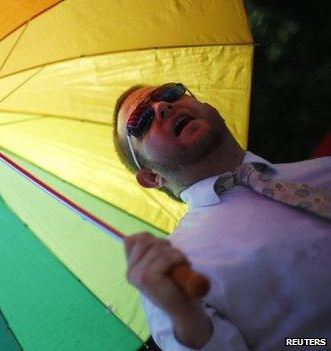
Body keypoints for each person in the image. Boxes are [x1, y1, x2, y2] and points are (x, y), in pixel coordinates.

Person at [112, 83, 331, 350]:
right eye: (140, 120)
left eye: (170, 93)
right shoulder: (176, 276)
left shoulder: (324, 169)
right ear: (151, 177)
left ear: (211, 108)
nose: (162, 106)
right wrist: (188, 318)